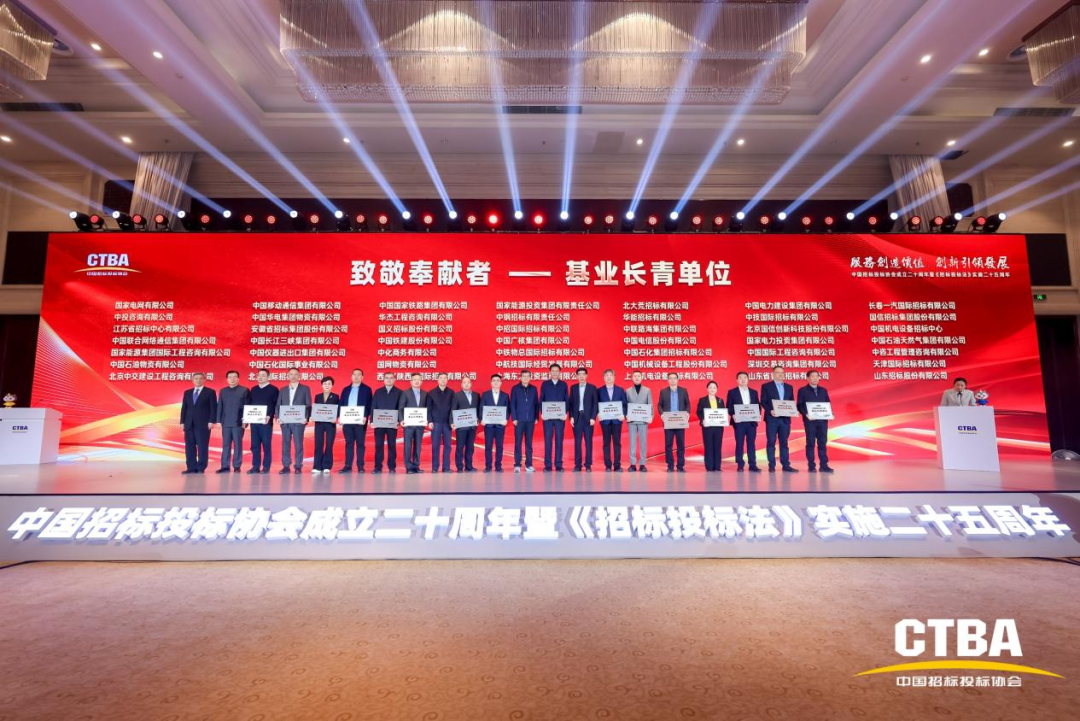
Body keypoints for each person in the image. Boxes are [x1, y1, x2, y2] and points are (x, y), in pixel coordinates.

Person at [760, 365, 798, 473]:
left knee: (784, 443)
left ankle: (786, 465)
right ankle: (771, 465)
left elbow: (791, 402)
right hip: (772, 419)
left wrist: (793, 410)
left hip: (785, 419)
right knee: (771, 442)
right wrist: (770, 411)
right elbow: (763, 401)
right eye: (777, 372)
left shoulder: (789, 387)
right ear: (773, 374)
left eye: (782, 373)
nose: (780, 374)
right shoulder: (766, 386)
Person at [276, 367, 312, 474]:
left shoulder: (305, 389)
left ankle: (298, 466)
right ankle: (286, 466)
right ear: (288, 376)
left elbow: (308, 405)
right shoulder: (282, 390)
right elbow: (278, 405)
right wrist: (278, 417)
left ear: (299, 376)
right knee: (285, 444)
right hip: (285, 421)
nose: (293, 376)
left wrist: (306, 418)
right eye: (291, 374)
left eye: (295, 374)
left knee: (298, 444)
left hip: (298, 422)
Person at [797, 369, 834, 473]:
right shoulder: (802, 390)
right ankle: (811, 466)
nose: (815, 378)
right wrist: (806, 414)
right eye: (812, 376)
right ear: (808, 378)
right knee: (810, 443)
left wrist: (830, 413)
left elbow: (827, 404)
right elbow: (799, 405)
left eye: (817, 376)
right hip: (810, 422)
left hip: (822, 421)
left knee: (822, 443)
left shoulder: (823, 390)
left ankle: (824, 465)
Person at [179, 372, 216, 474]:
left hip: (203, 424)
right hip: (189, 423)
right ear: (192, 380)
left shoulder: (210, 392)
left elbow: (213, 408)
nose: (198, 380)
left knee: (202, 446)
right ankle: (191, 467)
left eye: (200, 378)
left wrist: (212, 421)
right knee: (189, 446)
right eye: (196, 378)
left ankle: (201, 467)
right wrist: (182, 421)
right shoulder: (187, 392)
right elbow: (184, 408)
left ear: (204, 380)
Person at [338, 368, 372, 473]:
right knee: (349, 444)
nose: (356, 376)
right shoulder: (346, 389)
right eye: (354, 374)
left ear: (362, 377)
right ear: (351, 376)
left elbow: (369, 405)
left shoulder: (367, 389)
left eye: (359, 375)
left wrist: (365, 416)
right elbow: (341, 404)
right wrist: (340, 416)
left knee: (360, 444)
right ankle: (348, 466)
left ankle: (360, 466)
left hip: (360, 421)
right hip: (347, 421)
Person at [726, 372, 762, 473]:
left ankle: (753, 465)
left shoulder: (754, 392)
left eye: (745, 377)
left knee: (751, 443)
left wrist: (758, 415)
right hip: (739, 422)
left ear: (748, 379)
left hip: (751, 422)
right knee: (739, 443)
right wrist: (733, 414)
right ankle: (740, 465)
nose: (743, 379)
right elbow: (729, 407)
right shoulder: (732, 392)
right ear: (737, 380)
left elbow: (758, 406)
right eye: (740, 378)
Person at [215, 370, 249, 473]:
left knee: (238, 445)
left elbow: (247, 406)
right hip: (225, 422)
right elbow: (220, 406)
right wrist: (218, 420)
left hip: (238, 422)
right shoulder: (223, 391)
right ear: (227, 379)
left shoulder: (244, 390)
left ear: (238, 379)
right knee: (226, 445)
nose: (232, 379)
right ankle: (225, 466)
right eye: (230, 377)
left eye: (234, 377)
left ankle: (237, 466)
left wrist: (246, 420)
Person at [657, 372, 691, 471]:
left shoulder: (683, 391)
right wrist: (662, 414)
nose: (672, 380)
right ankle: (670, 466)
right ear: (668, 380)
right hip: (668, 421)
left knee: (681, 445)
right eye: (670, 378)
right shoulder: (663, 391)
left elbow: (687, 404)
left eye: (674, 378)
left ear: (677, 379)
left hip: (680, 421)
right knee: (668, 445)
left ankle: (680, 466)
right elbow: (659, 405)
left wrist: (687, 413)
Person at [247, 368, 278, 474]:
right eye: (259, 375)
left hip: (266, 422)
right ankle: (255, 466)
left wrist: (270, 416)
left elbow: (276, 405)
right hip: (254, 422)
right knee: (254, 445)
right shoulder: (253, 389)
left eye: (263, 375)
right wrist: (247, 417)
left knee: (266, 445)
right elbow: (250, 405)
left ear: (268, 377)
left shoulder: (273, 389)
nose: (260, 377)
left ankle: (266, 467)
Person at [540, 363, 569, 471]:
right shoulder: (545, 384)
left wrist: (565, 413)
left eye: (557, 371)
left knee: (559, 441)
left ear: (560, 372)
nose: (555, 373)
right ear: (550, 372)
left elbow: (567, 399)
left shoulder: (564, 384)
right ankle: (547, 465)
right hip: (547, 418)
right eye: (553, 371)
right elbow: (541, 399)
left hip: (560, 418)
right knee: (548, 441)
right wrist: (542, 412)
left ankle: (558, 464)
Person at [399, 372, 430, 474]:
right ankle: (408, 466)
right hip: (408, 424)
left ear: (421, 381)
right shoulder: (405, 393)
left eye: (418, 380)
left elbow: (427, 409)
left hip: (420, 424)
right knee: (408, 446)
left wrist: (427, 419)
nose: (417, 381)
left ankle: (416, 466)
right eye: (414, 380)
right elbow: (401, 408)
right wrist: (401, 419)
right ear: (411, 381)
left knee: (418, 446)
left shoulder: (425, 394)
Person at [568, 366, 599, 471]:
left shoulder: (592, 387)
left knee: (588, 442)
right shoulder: (573, 388)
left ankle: (588, 465)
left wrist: (593, 417)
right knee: (577, 442)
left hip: (588, 419)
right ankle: (577, 465)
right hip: (577, 418)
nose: (581, 376)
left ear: (586, 376)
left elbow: (595, 404)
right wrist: (571, 416)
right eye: (579, 374)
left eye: (583, 374)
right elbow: (571, 404)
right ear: (577, 376)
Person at [372, 372, 403, 473]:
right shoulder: (378, 392)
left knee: (392, 445)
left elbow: (401, 408)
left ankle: (392, 467)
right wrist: (372, 420)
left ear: (394, 379)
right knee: (379, 445)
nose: (389, 380)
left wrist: (399, 420)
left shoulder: (399, 392)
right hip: (379, 423)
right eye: (387, 378)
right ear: (383, 379)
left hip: (392, 424)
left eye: (391, 378)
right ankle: (378, 467)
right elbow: (373, 406)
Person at [510, 369, 539, 473]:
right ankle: (517, 465)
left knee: (529, 443)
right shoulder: (515, 389)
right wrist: (514, 418)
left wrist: (536, 417)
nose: (526, 378)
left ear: (530, 378)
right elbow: (512, 404)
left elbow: (536, 404)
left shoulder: (534, 389)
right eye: (524, 376)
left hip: (530, 420)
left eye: (528, 376)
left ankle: (529, 465)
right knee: (518, 443)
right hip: (519, 420)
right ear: (520, 377)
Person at [598, 369, 627, 471]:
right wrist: (598, 413)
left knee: (617, 443)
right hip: (605, 421)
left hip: (616, 420)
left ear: (614, 377)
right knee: (606, 443)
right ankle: (608, 465)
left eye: (611, 375)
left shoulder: (620, 390)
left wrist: (623, 414)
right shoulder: (599, 390)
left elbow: (624, 405)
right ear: (603, 378)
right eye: (606, 375)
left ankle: (617, 465)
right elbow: (596, 404)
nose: (609, 377)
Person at [451, 376, 482, 472]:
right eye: (464, 382)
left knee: (470, 447)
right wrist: (452, 422)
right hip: (461, 426)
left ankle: (469, 466)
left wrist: (479, 418)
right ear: (461, 384)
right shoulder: (456, 395)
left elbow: (479, 409)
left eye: (468, 382)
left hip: (472, 426)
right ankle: (459, 466)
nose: (466, 384)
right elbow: (453, 409)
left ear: (471, 384)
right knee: (460, 447)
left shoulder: (476, 395)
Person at [427, 372, 455, 473]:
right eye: (441, 378)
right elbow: (429, 408)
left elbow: (453, 408)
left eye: (445, 378)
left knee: (448, 446)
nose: (443, 380)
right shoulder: (431, 392)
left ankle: (446, 467)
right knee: (435, 446)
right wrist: (430, 421)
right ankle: (435, 468)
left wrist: (452, 421)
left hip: (447, 423)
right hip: (436, 423)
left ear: (447, 380)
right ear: (437, 380)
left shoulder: (451, 392)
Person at [481, 373, 510, 471]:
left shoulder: (505, 395)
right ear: (491, 382)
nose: (496, 382)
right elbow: (481, 408)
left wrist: (506, 419)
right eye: (494, 380)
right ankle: (488, 466)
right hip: (488, 425)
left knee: (499, 446)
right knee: (488, 446)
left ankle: (498, 466)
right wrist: (482, 419)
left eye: (498, 380)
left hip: (500, 425)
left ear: (501, 383)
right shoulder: (485, 394)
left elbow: (507, 409)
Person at [696, 381, 726, 472]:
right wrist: (702, 420)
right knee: (708, 446)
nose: (712, 389)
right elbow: (699, 412)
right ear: (707, 389)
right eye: (710, 387)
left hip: (718, 427)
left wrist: (724, 420)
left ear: (717, 389)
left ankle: (717, 466)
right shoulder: (702, 400)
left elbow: (723, 412)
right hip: (707, 427)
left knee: (718, 446)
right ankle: (709, 466)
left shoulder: (720, 400)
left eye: (714, 387)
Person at [625, 370, 652, 472]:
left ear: (642, 378)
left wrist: (650, 416)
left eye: (638, 376)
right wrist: (626, 415)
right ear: (632, 378)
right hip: (632, 420)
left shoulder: (647, 390)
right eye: (635, 376)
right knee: (632, 443)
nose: (636, 377)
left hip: (643, 420)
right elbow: (625, 405)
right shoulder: (628, 391)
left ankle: (642, 464)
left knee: (643, 442)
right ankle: (632, 464)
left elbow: (650, 405)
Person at [312, 376, 339, 474]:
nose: (327, 386)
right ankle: (317, 466)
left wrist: (335, 417)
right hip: (319, 423)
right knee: (318, 444)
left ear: (332, 386)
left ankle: (327, 466)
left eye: (329, 384)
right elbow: (316, 409)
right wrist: (313, 415)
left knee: (329, 444)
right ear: (322, 385)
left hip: (330, 424)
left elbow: (338, 409)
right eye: (325, 384)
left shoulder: (335, 396)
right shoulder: (317, 396)